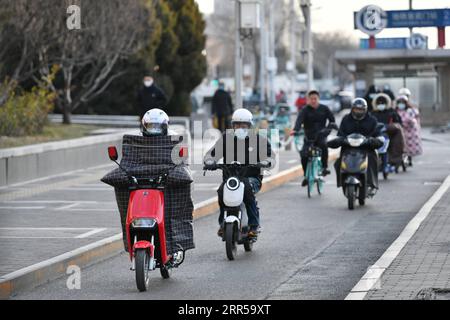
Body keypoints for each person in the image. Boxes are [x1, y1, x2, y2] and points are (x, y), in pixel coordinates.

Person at [204, 108, 274, 239]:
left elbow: (270, 155)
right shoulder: (226, 138)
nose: (240, 128)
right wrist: (209, 161)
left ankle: (254, 225)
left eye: (244, 125)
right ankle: (222, 223)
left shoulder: (258, 140)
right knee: (221, 191)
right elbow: (211, 154)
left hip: (252, 178)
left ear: (249, 126)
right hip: (231, 179)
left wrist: (265, 162)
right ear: (232, 126)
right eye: (237, 125)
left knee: (247, 187)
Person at [333, 98, 381, 194]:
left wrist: (374, 140)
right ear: (352, 109)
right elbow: (340, 134)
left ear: (365, 109)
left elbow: (377, 134)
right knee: (338, 162)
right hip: (348, 148)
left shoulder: (372, 120)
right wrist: (340, 140)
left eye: (361, 109)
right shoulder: (346, 119)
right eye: (356, 109)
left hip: (367, 148)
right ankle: (342, 181)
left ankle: (371, 184)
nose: (358, 111)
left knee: (372, 159)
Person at [291, 90, 336, 186]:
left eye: (315, 99)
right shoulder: (304, 110)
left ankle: (324, 168)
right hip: (309, 137)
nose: (313, 101)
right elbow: (299, 121)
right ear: (308, 100)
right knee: (303, 155)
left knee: (324, 146)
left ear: (318, 99)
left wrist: (328, 130)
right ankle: (306, 176)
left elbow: (332, 121)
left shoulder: (325, 108)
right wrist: (295, 130)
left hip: (321, 135)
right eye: (311, 99)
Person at [371, 93, 406, 169]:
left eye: (383, 103)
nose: (381, 105)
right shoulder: (372, 113)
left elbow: (399, 124)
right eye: (379, 103)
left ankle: (391, 162)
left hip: (390, 134)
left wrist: (389, 127)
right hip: (375, 135)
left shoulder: (392, 112)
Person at [395, 95, 423, 166]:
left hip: (409, 132)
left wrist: (406, 123)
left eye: (402, 102)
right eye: (399, 102)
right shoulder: (395, 111)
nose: (401, 104)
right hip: (399, 131)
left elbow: (412, 120)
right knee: (400, 146)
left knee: (408, 147)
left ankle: (409, 159)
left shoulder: (410, 111)